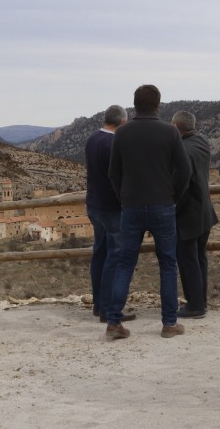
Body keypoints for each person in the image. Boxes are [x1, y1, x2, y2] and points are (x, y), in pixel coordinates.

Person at [103, 84, 191, 339]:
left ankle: (114, 323)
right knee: (167, 264)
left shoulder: (122, 133)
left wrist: (124, 197)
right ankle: (169, 324)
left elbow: (113, 173)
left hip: (130, 208)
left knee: (125, 264)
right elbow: (185, 171)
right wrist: (173, 196)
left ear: (134, 104)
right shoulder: (170, 133)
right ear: (157, 105)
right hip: (163, 206)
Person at [85, 105, 132, 323]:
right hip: (112, 208)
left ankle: (98, 305)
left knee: (100, 254)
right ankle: (109, 309)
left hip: (94, 206)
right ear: (122, 122)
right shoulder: (114, 144)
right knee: (115, 257)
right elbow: (120, 178)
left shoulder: (92, 138)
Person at [171, 110, 218, 319]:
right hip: (204, 211)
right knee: (199, 258)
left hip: (188, 214)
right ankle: (200, 301)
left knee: (188, 260)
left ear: (175, 127)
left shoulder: (182, 150)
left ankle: (195, 306)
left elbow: (182, 185)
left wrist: (174, 208)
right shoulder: (201, 141)